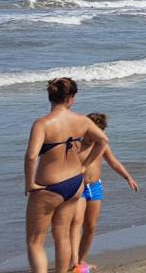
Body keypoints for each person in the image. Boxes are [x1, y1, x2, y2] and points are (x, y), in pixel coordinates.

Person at [25, 78, 110, 273]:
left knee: (35, 240)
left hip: (48, 186)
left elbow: (31, 156)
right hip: (73, 184)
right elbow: (103, 139)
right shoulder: (81, 120)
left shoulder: (42, 123)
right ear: (71, 99)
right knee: (62, 236)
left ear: (50, 97)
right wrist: (85, 165)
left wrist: (30, 183)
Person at [70, 113, 138, 273]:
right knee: (76, 224)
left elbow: (113, 162)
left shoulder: (102, 144)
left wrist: (128, 177)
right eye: (89, 133)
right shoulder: (75, 145)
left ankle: (82, 260)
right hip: (77, 189)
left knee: (91, 226)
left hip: (94, 187)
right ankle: (74, 263)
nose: (91, 138)